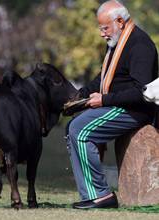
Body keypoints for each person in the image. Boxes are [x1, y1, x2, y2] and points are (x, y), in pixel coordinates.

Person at [67, 0, 158, 209]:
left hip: (136, 110)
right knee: (71, 126)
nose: (102, 33)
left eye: (104, 28)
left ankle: (102, 195)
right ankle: (90, 193)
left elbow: (140, 92)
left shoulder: (140, 45)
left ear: (120, 21)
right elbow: (104, 77)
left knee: (80, 130)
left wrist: (104, 100)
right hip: (119, 106)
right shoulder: (117, 44)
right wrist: (80, 95)